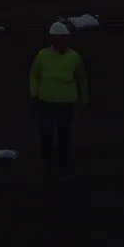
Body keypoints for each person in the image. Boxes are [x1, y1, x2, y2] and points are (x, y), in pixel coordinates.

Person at [29, 21, 89, 180]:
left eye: (63, 38)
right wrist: (34, 93)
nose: (60, 41)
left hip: (66, 101)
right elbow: (34, 74)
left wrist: (84, 98)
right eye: (57, 38)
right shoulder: (42, 56)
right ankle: (48, 161)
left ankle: (63, 162)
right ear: (52, 39)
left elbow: (81, 79)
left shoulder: (74, 57)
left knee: (64, 133)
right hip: (46, 101)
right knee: (46, 133)